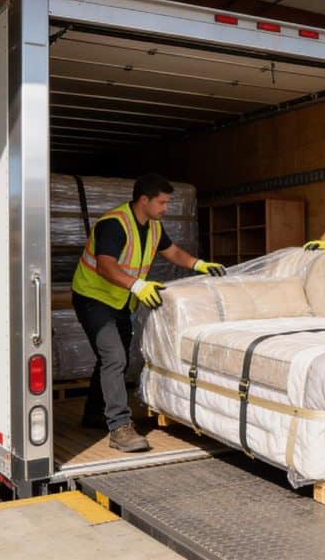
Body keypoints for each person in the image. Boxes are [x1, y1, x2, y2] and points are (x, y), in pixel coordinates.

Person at [71, 173, 227, 452]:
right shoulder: (114, 224)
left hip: (120, 300)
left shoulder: (153, 227)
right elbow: (106, 265)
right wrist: (138, 285)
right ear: (144, 200)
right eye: (162, 203)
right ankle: (119, 428)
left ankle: (94, 413)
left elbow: (173, 252)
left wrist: (199, 264)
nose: (166, 208)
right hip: (93, 297)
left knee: (111, 356)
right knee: (114, 356)